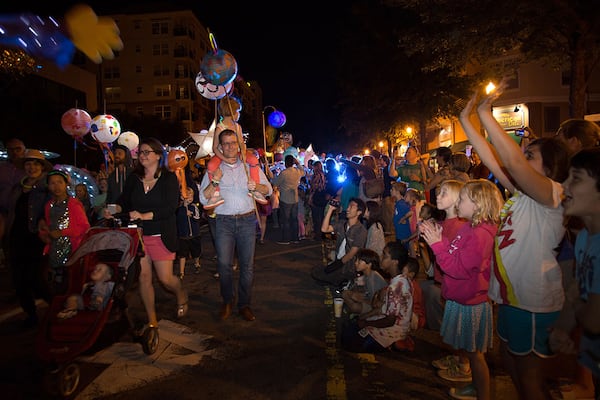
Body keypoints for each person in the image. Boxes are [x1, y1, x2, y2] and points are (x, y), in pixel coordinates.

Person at [460, 85, 570, 400]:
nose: (520, 159)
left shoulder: (553, 195)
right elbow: (493, 160)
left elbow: (514, 164)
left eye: (529, 155)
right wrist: (467, 117)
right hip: (513, 299)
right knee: (511, 361)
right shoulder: (523, 195)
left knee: (530, 378)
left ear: (550, 168)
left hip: (533, 302)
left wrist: (486, 114)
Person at [105, 137, 188, 337]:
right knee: (143, 277)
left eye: (146, 152)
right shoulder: (134, 178)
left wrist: (145, 215)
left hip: (160, 233)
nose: (142, 156)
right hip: (138, 235)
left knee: (166, 279)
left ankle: (181, 294)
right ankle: (152, 320)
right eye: (140, 152)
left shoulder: (168, 178)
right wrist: (113, 208)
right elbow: (124, 200)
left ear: (158, 156)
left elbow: (170, 207)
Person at [199, 129, 273, 322]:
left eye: (234, 142)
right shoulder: (214, 167)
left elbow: (269, 190)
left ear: (239, 145)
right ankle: (227, 301)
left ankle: (244, 304)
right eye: (226, 143)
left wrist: (256, 186)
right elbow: (202, 197)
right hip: (223, 222)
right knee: (224, 265)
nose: (230, 146)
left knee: (247, 266)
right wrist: (214, 180)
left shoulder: (250, 166)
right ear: (221, 147)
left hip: (247, 221)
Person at [549, 148, 600, 397]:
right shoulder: (583, 240)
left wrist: (578, 303)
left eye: (576, 179)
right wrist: (563, 330)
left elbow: (593, 318)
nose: (565, 186)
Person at [5, 149, 52, 328]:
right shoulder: (18, 187)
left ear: (41, 166)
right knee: (18, 279)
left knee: (35, 277)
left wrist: (44, 221)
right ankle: (31, 315)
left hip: (36, 237)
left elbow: (54, 207)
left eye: (35, 164)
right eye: (28, 164)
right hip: (17, 237)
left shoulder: (46, 186)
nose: (31, 167)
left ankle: (56, 306)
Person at [341, 241, 412, 353]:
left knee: (349, 339)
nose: (381, 257)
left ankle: (396, 345)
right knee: (351, 328)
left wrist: (366, 323)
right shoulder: (402, 280)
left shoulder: (395, 287)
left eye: (385, 256)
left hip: (394, 330)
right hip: (394, 324)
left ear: (394, 262)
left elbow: (389, 321)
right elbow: (383, 309)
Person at [204, 96, 267, 209]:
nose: (239, 114)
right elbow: (215, 148)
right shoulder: (219, 128)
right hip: (223, 154)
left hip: (237, 152)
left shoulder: (237, 127)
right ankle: (216, 194)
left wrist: (243, 153)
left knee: (253, 159)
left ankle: (255, 189)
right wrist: (225, 159)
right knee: (211, 165)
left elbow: (242, 143)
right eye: (238, 111)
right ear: (232, 111)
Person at [420, 180, 466, 332]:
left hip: (452, 284)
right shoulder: (442, 223)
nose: (438, 196)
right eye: (438, 192)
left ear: (457, 198)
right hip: (441, 280)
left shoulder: (460, 226)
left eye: (443, 193)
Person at [39, 169, 90, 291]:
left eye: (59, 182)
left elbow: (84, 226)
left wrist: (63, 232)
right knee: (56, 285)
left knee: (69, 285)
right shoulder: (48, 205)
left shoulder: (73, 204)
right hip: (54, 250)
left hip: (71, 251)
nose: (56, 186)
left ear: (66, 184)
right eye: (52, 183)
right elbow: (48, 225)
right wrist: (45, 234)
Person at [310, 197, 367, 287]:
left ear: (359, 212)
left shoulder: (361, 230)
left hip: (348, 267)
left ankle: (344, 280)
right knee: (316, 271)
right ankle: (337, 281)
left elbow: (352, 253)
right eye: (348, 206)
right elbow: (324, 229)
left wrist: (337, 265)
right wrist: (330, 209)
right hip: (338, 260)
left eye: (351, 207)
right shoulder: (342, 223)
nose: (347, 209)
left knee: (321, 274)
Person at [0, 138, 26, 267]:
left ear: (23, 150)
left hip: (21, 213)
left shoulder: (29, 167)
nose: (15, 152)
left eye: (18, 149)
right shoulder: (2, 168)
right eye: (11, 149)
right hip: (3, 211)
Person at [342, 248, 387, 315]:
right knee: (345, 293)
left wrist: (359, 299)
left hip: (380, 307)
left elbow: (374, 303)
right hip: (370, 299)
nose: (356, 263)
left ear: (369, 264)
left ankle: (358, 314)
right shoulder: (367, 274)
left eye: (359, 261)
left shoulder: (372, 279)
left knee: (354, 306)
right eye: (356, 260)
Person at [272, 154, 305, 244]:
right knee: (294, 219)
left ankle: (286, 239)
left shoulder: (284, 173)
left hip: (285, 199)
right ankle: (295, 238)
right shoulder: (297, 171)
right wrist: (297, 163)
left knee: (285, 220)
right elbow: (303, 171)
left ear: (286, 163)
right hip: (295, 199)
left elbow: (275, 183)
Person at [176, 180, 202, 280]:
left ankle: (197, 263)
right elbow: (177, 220)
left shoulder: (193, 207)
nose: (189, 199)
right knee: (182, 253)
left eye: (191, 197)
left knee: (196, 251)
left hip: (194, 234)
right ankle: (181, 272)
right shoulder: (179, 208)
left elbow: (197, 217)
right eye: (187, 197)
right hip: (183, 235)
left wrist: (191, 215)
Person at [308, 160, 328, 240]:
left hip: (316, 197)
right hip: (322, 197)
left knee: (316, 217)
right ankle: (322, 234)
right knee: (321, 216)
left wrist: (310, 198)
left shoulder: (316, 175)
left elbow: (314, 188)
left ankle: (318, 235)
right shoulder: (324, 174)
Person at [391, 181, 412, 251]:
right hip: (399, 233)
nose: (390, 191)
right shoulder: (398, 203)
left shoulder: (402, 204)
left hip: (403, 234)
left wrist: (403, 218)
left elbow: (410, 212)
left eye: (392, 189)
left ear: (397, 192)